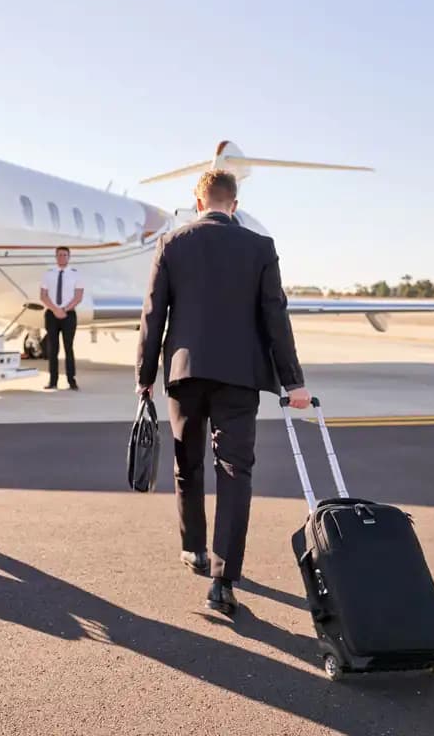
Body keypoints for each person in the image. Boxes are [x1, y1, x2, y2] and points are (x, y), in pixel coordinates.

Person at [135, 169, 311, 616]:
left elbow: (153, 313)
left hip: (184, 373)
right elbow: (276, 317)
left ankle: (193, 547)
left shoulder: (172, 243)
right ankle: (223, 580)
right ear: (234, 204)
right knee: (235, 472)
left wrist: (144, 374)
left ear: (197, 204)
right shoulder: (259, 247)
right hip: (239, 376)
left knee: (187, 462)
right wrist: (294, 382)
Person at [39, 246, 83, 390]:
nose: (62, 257)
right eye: (59, 255)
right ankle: (53, 381)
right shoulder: (48, 274)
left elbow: (78, 296)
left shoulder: (75, 274)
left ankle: (71, 380)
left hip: (68, 315)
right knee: (53, 349)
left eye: (65, 255)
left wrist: (64, 309)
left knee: (68, 348)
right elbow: (43, 295)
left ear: (69, 257)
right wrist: (55, 309)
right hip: (52, 314)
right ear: (56, 257)